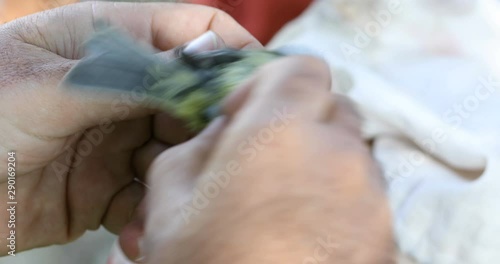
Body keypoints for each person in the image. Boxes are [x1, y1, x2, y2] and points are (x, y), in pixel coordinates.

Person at [0, 2, 393, 263]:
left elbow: (222, 71)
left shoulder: (271, 71)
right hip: (194, 95)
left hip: (196, 84)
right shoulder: (279, 112)